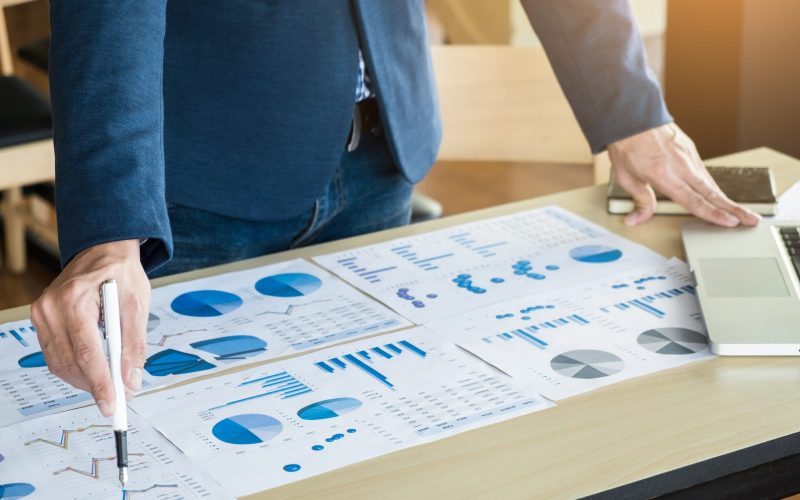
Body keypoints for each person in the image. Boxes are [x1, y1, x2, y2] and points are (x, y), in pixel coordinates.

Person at [31, 0, 759, 418]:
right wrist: (112, 222)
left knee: (362, 424)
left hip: (383, 144)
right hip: (200, 165)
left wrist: (628, 107)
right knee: (171, 433)